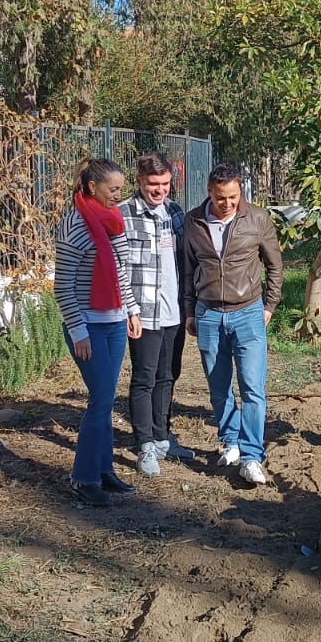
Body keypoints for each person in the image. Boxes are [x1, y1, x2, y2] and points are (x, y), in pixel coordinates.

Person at [181, 162, 283, 486]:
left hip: (248, 313)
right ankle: (230, 441)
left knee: (252, 387)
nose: (227, 203)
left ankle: (252, 457)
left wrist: (269, 305)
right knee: (219, 387)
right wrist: (189, 311)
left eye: (233, 197)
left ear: (241, 192)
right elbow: (188, 269)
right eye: (221, 197)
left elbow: (275, 265)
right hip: (209, 314)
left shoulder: (257, 219)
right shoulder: (193, 221)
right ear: (209, 193)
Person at [53, 158, 143, 507]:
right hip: (88, 326)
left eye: (121, 189)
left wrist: (131, 309)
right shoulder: (75, 226)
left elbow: (120, 271)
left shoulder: (112, 219)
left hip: (115, 322)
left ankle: (104, 470)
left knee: (106, 397)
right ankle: (84, 477)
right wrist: (78, 331)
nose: (119, 196)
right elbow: (63, 287)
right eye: (113, 189)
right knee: (101, 398)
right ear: (93, 187)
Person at [120, 153, 195, 477]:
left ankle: (163, 437)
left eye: (165, 184)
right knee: (144, 378)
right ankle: (145, 445)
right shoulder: (123, 215)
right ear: (139, 181)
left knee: (168, 375)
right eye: (153, 184)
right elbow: (117, 269)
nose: (160, 190)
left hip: (173, 312)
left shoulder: (175, 213)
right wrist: (130, 310)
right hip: (143, 313)